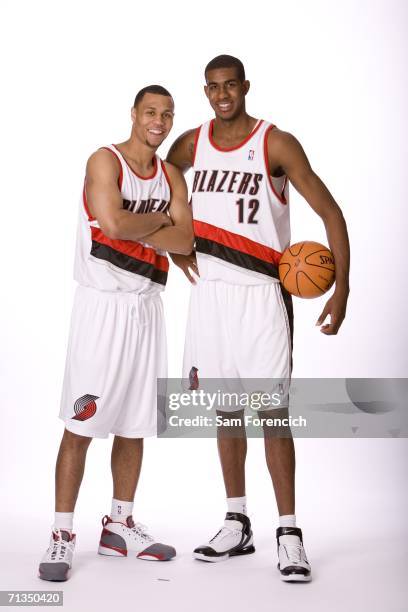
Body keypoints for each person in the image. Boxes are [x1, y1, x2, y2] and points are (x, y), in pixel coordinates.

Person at [167, 55, 350, 582]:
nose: (222, 94)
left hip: (264, 295)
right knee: (226, 413)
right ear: (205, 92)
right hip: (212, 297)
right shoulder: (190, 143)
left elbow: (331, 211)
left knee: (272, 416)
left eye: (231, 86)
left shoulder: (276, 143)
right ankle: (236, 521)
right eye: (213, 88)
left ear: (245, 87)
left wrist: (344, 290)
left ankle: (289, 533)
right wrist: (176, 246)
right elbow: (161, 179)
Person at [39, 85, 194, 581]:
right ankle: (63, 533)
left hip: (148, 307)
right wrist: (161, 221)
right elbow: (109, 221)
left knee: (134, 423)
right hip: (101, 307)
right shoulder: (104, 161)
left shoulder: (170, 173)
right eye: (151, 112)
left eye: (167, 114)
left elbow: (187, 238)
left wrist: (142, 223)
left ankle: (119, 524)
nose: (159, 121)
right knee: (81, 424)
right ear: (134, 114)